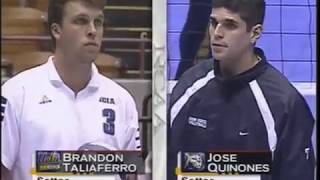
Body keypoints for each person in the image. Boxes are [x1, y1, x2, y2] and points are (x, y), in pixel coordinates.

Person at [168, 0, 315, 180]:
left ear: (255, 33)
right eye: (213, 23)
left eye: (230, 25)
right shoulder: (188, 86)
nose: (217, 33)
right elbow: (170, 166)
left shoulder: (284, 104)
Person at [1, 1, 141, 180]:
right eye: (81, 21)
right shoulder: (16, 93)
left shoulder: (123, 100)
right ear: (56, 30)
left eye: (98, 22)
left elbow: (131, 173)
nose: (92, 31)